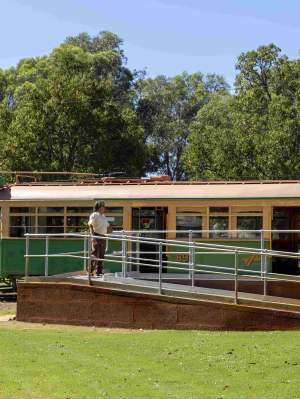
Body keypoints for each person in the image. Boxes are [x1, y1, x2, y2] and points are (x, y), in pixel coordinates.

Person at [88, 201, 111, 276]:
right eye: (102, 206)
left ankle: (99, 272)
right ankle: (90, 270)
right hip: (96, 236)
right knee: (95, 254)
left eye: (104, 206)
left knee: (102, 255)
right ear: (98, 207)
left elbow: (108, 227)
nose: (104, 208)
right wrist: (93, 237)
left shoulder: (103, 216)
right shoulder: (94, 215)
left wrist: (114, 231)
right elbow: (91, 226)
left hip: (103, 236)